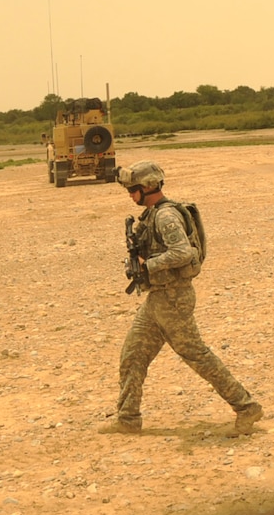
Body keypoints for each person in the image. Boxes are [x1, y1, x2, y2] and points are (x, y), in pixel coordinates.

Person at [103, 161, 262, 436]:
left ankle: (246, 407)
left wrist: (147, 266)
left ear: (148, 187)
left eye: (133, 190)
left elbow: (183, 253)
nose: (130, 196)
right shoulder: (152, 215)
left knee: (197, 356)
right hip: (157, 300)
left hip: (174, 299)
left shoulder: (165, 216)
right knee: (132, 356)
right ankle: (128, 419)